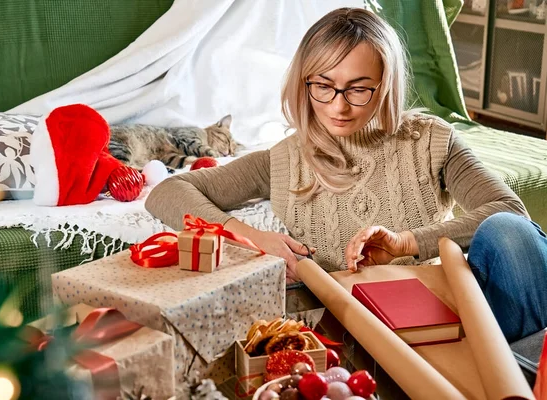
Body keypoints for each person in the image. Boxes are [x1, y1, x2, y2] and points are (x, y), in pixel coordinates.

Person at [146, 8, 544, 341]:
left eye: (358, 89)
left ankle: (516, 373)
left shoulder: (431, 140)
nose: (338, 106)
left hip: (449, 314)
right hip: (361, 332)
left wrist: (407, 242)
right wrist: (250, 237)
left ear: (385, 85)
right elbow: (167, 191)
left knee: (508, 233)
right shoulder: (281, 160)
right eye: (324, 86)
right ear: (305, 83)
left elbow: (510, 212)